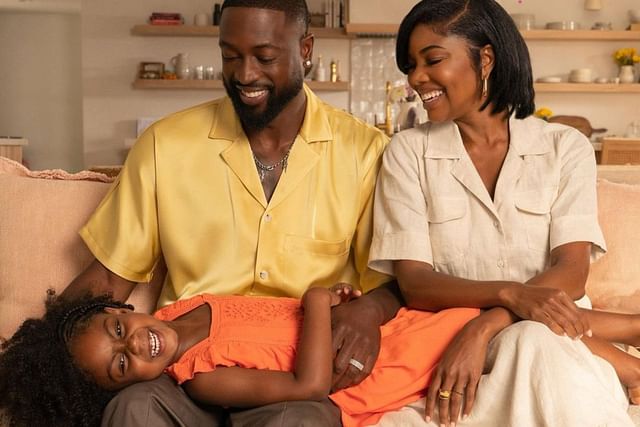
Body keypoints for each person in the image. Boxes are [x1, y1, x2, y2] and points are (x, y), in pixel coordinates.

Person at [61, 0, 402, 425]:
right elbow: (112, 275)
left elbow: (393, 282)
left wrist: (368, 311)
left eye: (265, 57)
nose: (244, 75)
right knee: (134, 409)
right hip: (183, 372)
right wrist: (42, 351)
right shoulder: (164, 145)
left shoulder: (365, 152)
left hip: (293, 374)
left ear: (306, 49)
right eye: (230, 56)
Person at [369, 1, 639, 426]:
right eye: (410, 65)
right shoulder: (407, 153)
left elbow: (571, 273)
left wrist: (491, 321)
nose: (416, 78)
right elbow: (416, 283)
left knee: (534, 340)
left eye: (432, 60)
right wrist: (511, 298)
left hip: (556, 344)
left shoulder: (564, 148)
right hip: (455, 351)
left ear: (486, 59)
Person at [0, 287, 479, 427]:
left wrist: (345, 304)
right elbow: (308, 388)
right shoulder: (200, 379)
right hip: (360, 377)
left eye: (119, 331)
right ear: (125, 384)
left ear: (115, 309)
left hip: (374, 331)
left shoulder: (183, 306)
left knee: (464, 322)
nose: (136, 344)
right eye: (122, 364)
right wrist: (316, 301)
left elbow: (272, 316)